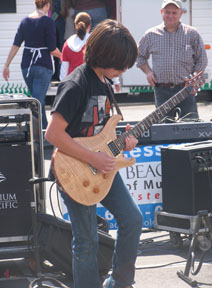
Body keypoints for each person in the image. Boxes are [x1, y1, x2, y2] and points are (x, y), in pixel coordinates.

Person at [45, 19, 143, 288]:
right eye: (120, 64)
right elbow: (52, 134)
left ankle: (119, 283)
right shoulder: (75, 84)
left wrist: (125, 141)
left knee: (132, 219)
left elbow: (101, 133)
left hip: (102, 166)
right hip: (75, 171)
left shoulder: (105, 82)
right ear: (104, 55)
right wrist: (93, 158)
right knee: (86, 239)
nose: (123, 70)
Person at [136, 0, 208, 121]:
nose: (170, 16)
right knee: (163, 131)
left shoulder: (192, 33)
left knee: (190, 127)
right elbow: (139, 56)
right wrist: (148, 72)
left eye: (174, 12)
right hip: (161, 90)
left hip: (185, 90)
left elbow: (202, 60)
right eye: (167, 12)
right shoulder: (150, 34)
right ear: (161, 12)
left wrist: (193, 79)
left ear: (181, 13)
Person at [2, 0, 61, 130]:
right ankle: (37, 132)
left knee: (37, 100)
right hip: (43, 65)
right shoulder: (48, 21)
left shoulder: (25, 21)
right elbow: (52, 49)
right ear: (47, 5)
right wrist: (63, 56)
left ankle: (42, 130)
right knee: (37, 102)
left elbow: (16, 44)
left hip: (26, 67)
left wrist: (6, 65)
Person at [60, 12, 91, 80]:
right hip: (89, 81)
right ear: (89, 26)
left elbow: (64, 69)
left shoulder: (67, 43)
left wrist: (62, 84)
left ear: (75, 25)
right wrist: (116, 81)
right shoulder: (93, 42)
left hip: (72, 82)